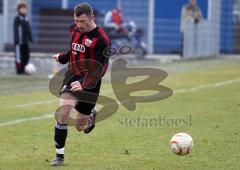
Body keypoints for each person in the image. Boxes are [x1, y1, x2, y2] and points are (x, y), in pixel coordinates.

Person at [50, 3, 111, 166]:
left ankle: (90, 116)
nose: (79, 25)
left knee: (80, 127)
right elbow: (74, 50)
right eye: (76, 20)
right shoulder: (74, 29)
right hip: (72, 76)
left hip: (90, 84)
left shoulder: (102, 39)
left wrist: (84, 83)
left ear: (92, 18)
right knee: (63, 112)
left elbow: (102, 68)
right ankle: (59, 156)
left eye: (82, 21)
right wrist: (63, 57)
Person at [13, 2, 33, 74]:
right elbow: (16, 30)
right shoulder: (17, 19)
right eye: (22, 8)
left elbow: (28, 29)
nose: (24, 10)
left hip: (25, 41)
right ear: (19, 10)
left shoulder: (26, 18)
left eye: (25, 8)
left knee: (26, 56)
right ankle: (19, 70)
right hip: (19, 42)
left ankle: (24, 69)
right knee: (19, 57)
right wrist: (17, 40)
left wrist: (30, 38)